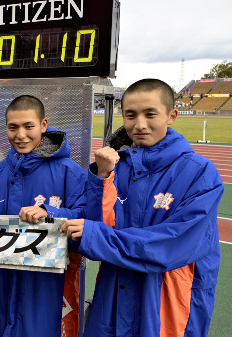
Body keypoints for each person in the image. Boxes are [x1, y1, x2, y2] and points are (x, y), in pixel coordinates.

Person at [61, 79, 224, 337]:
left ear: (172, 115)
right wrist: (100, 179)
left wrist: (96, 235)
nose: (139, 124)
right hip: (112, 297)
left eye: (150, 114)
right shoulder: (117, 167)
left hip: (169, 303)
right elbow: (93, 224)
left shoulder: (200, 172)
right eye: (130, 115)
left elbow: (172, 245)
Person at [0, 95, 87, 337]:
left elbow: (87, 218)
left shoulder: (69, 172)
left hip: (48, 289)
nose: (21, 135)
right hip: (0, 287)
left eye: (29, 126)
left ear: (43, 125)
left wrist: (50, 214)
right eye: (13, 127)